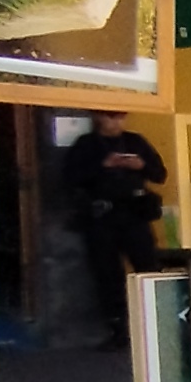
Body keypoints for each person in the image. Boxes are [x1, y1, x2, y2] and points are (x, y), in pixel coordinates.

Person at [63, 111, 166, 344]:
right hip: (102, 217)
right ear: (99, 118)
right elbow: (70, 178)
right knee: (107, 274)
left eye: (120, 117)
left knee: (147, 267)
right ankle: (118, 329)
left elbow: (160, 174)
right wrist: (104, 165)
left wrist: (140, 165)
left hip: (135, 214)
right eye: (111, 117)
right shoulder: (86, 145)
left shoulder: (135, 141)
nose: (117, 122)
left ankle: (157, 323)